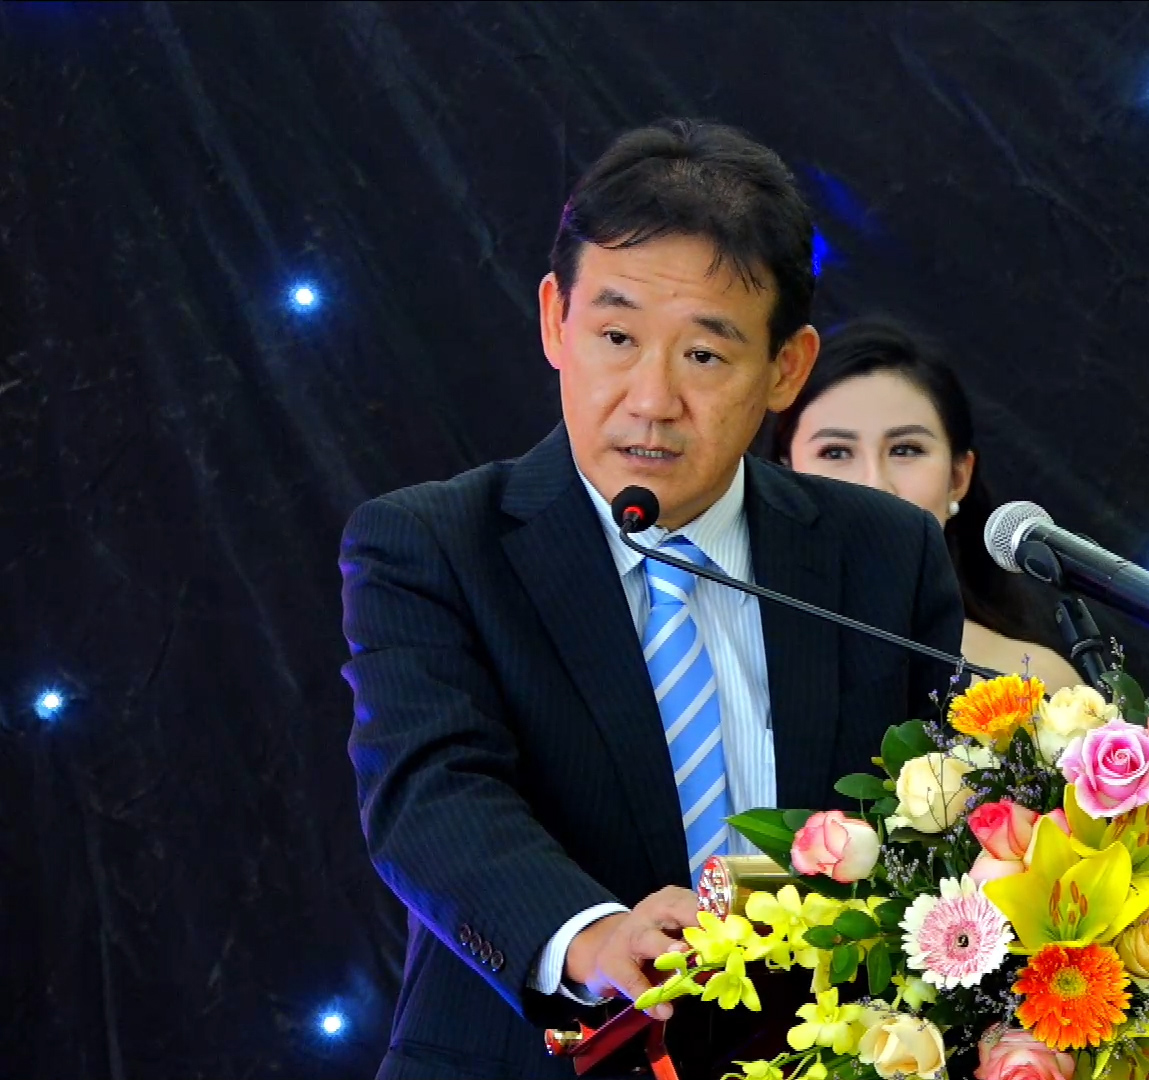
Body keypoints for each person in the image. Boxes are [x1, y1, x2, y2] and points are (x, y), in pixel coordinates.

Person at [339, 120, 963, 1080]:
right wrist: (592, 936)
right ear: (556, 321)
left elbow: (930, 827)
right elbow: (432, 795)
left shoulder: (884, 554)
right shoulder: (432, 545)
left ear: (787, 369)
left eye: (705, 356)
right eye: (617, 337)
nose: (651, 399)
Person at [770, 318, 1081, 690]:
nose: (875, 485)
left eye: (906, 450)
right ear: (782, 475)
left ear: (958, 478)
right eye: (835, 452)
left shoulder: (1038, 684)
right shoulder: (728, 653)